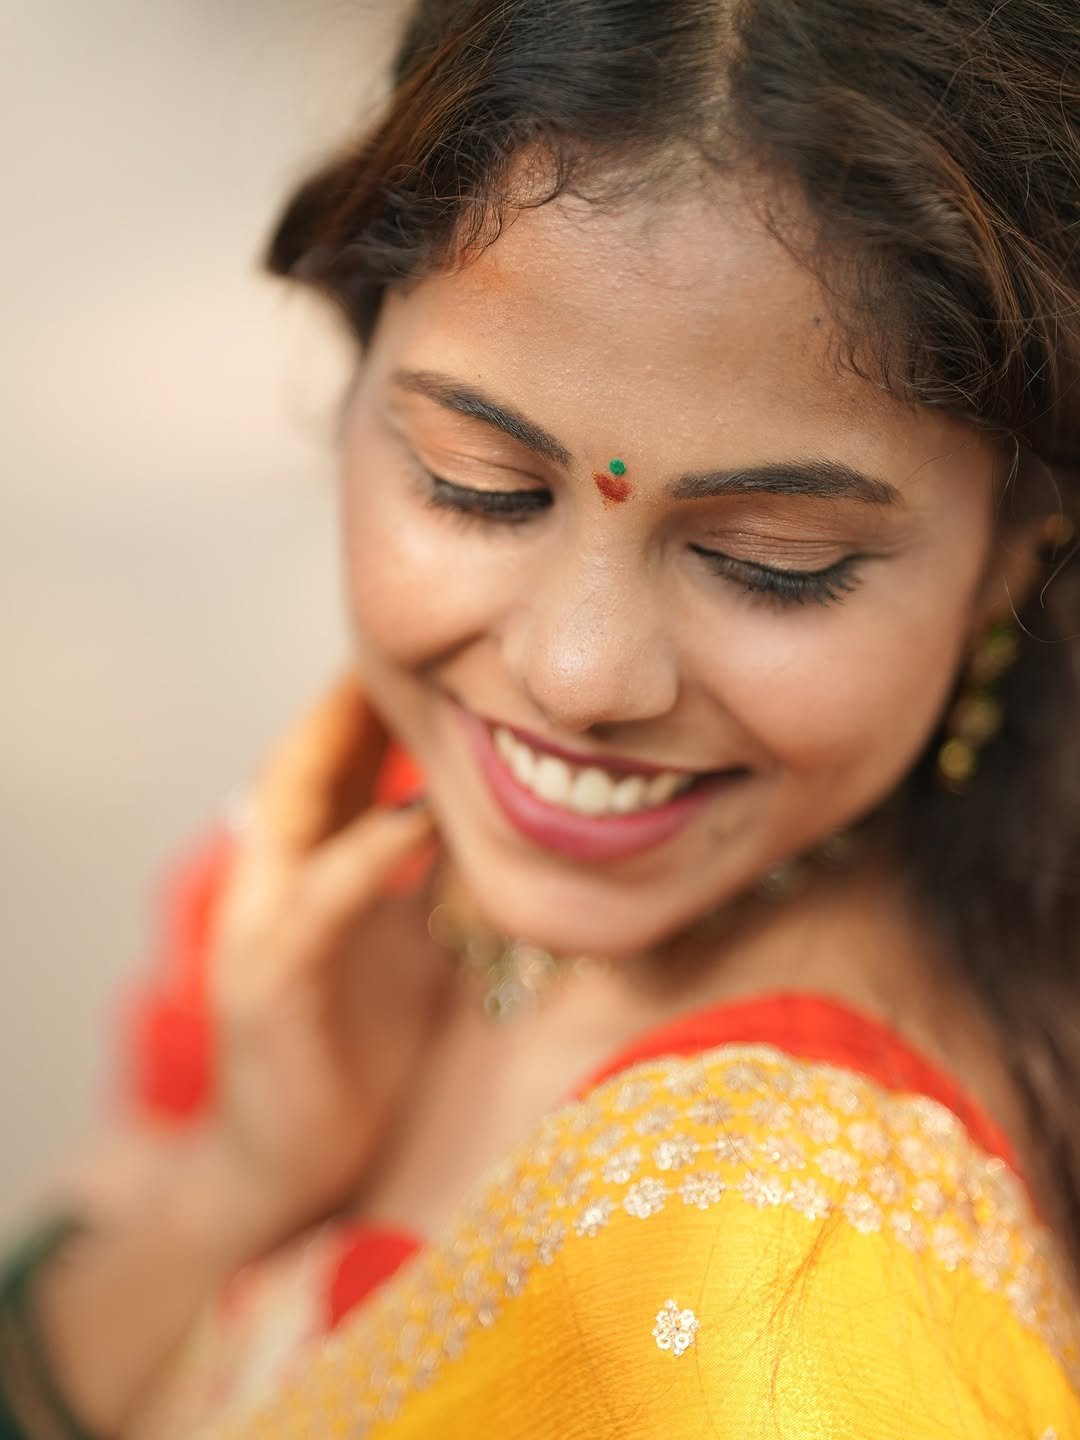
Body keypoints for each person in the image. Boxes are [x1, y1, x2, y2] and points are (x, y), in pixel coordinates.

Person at [2, 0, 1079, 1435]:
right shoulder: (369, 864)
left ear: (1018, 549)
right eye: (475, 484)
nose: (578, 677)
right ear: (358, 357)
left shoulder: (806, 1311)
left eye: (774, 565)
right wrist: (240, 1184)